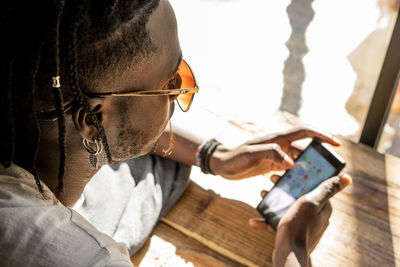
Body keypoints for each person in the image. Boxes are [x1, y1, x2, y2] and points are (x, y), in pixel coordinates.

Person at [0, 0, 351, 266]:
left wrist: (215, 155)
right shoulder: (82, 257)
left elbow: (119, 127)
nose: (183, 88)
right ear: (92, 118)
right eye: (172, 82)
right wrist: (295, 247)